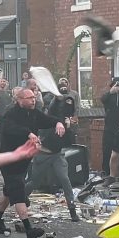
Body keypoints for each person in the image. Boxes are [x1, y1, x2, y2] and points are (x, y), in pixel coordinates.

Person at [0, 88, 65, 238]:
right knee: (18, 193)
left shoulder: (34, 112)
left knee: (9, 191)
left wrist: (58, 122)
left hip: (24, 160)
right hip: (9, 159)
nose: (33, 100)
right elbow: (9, 128)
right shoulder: (11, 113)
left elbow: (47, 119)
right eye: (29, 97)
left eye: (34, 97)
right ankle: (29, 229)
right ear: (19, 100)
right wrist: (28, 133)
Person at [25, 83, 80, 222]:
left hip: (57, 155)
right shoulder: (48, 119)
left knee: (65, 180)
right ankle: (22, 197)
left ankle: (72, 210)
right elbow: (52, 110)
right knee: (34, 182)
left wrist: (68, 127)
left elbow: (68, 142)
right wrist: (57, 99)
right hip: (43, 154)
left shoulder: (66, 122)